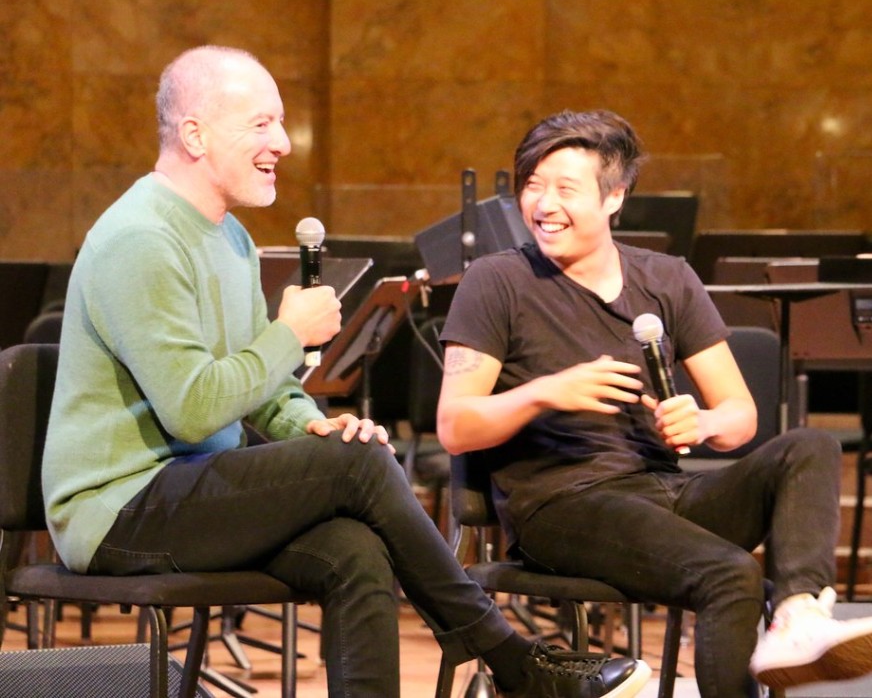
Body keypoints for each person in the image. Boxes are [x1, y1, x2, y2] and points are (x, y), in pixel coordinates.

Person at [41, 48, 651, 698]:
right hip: (118, 509)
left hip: (188, 488)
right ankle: (513, 661)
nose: (281, 142)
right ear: (194, 134)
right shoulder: (142, 238)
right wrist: (291, 333)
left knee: (354, 547)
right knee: (357, 472)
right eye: (260, 124)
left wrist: (315, 429)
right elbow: (192, 408)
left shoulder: (230, 238)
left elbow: (269, 392)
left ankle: (505, 666)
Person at [435, 108, 872, 697]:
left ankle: (798, 614)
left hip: (663, 491)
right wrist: (545, 391)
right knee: (730, 575)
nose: (544, 205)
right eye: (533, 186)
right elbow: (455, 426)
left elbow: (739, 417)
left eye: (565, 189)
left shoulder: (667, 277)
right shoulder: (496, 281)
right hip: (561, 504)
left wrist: (703, 420)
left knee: (808, 446)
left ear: (614, 197)